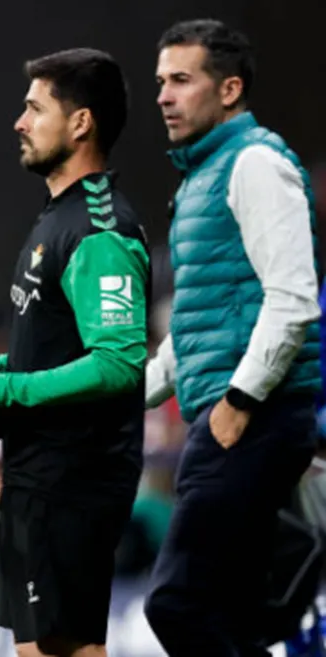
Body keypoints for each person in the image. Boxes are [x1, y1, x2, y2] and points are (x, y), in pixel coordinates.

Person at [0, 48, 150, 657]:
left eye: (34, 108)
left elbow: (119, 363)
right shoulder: (57, 218)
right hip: (38, 477)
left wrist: (2, 390)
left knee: (64, 651)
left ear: (81, 123)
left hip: (72, 480)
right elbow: (57, 348)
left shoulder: (100, 229)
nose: (19, 122)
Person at [142, 19, 321, 657]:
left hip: (252, 419)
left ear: (230, 89)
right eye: (161, 81)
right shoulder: (200, 180)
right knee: (234, 617)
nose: (163, 95)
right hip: (233, 416)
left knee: (178, 604)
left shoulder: (256, 163)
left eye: (182, 80)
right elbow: (192, 334)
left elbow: (294, 299)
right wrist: (117, 393)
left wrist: (239, 402)